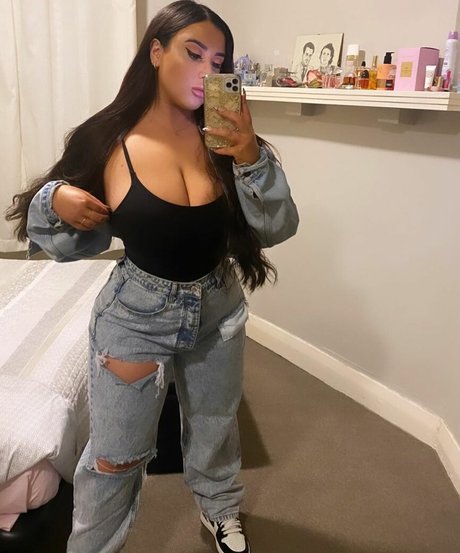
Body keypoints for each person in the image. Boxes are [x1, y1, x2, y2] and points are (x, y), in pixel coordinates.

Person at [6, 1, 299, 552]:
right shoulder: (107, 139)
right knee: (115, 456)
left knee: (215, 424)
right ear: (156, 52)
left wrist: (250, 156)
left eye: (218, 62)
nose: (207, 72)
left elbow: (276, 227)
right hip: (136, 316)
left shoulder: (226, 142)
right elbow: (62, 242)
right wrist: (55, 198)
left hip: (219, 308)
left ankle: (220, 508)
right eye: (194, 53)